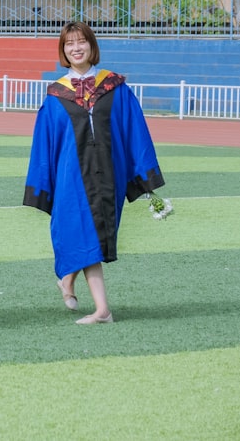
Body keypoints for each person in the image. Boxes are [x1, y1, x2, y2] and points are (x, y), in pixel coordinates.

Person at [23, 21, 164, 324]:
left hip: (108, 175)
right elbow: (45, 143)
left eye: (81, 42)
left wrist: (146, 177)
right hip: (71, 178)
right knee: (82, 231)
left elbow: (134, 130)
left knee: (93, 233)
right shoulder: (56, 95)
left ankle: (73, 283)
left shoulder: (115, 88)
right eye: (69, 44)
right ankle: (101, 308)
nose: (76, 48)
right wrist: (42, 184)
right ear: (63, 51)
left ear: (91, 46)